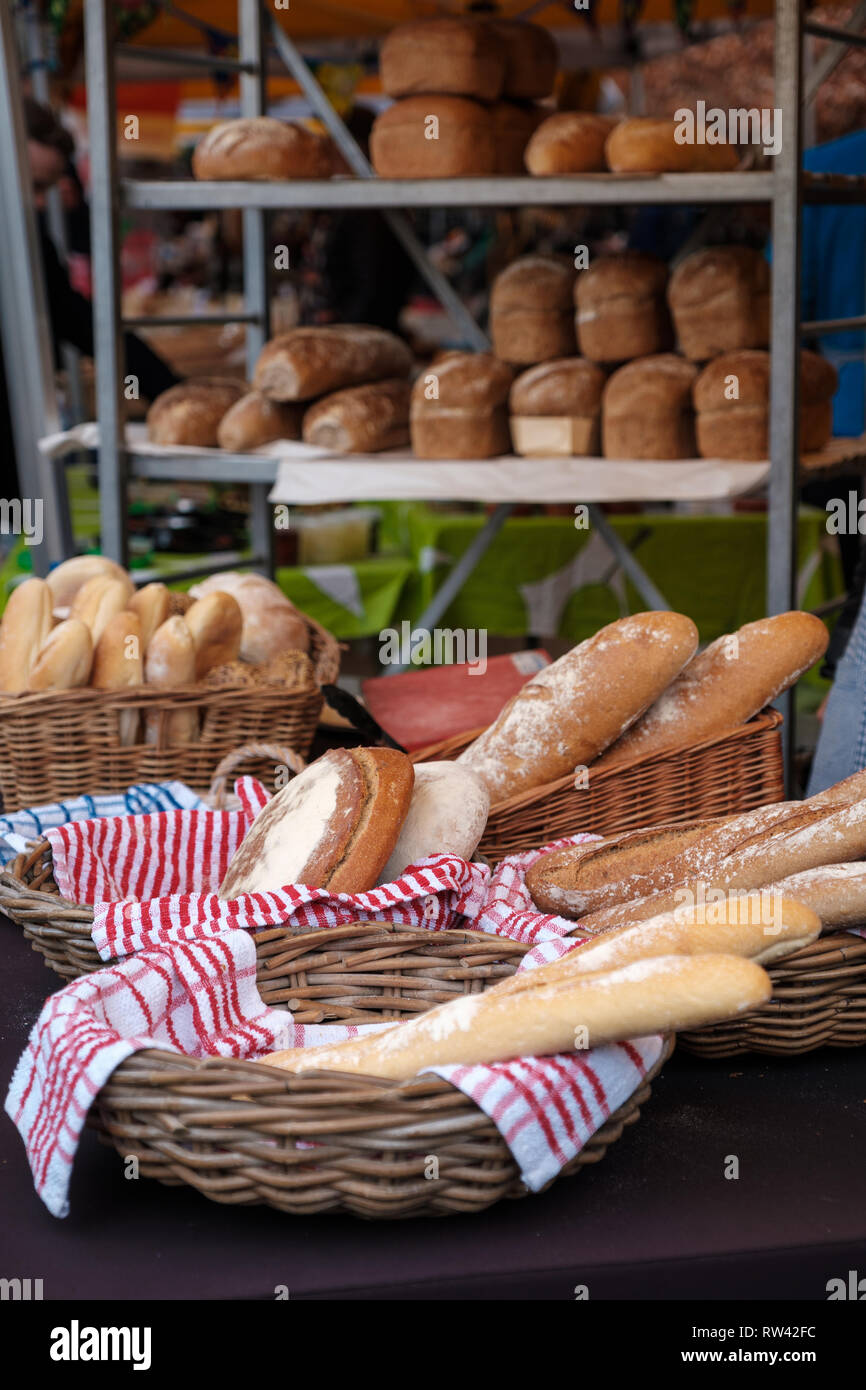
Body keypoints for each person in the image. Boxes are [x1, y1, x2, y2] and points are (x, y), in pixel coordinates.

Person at [1, 98, 180, 497]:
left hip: (20, 450)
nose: (38, 202)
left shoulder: (27, 240)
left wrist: (170, 391)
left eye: (45, 187)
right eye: (31, 185)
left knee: (22, 532)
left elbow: (78, 320)